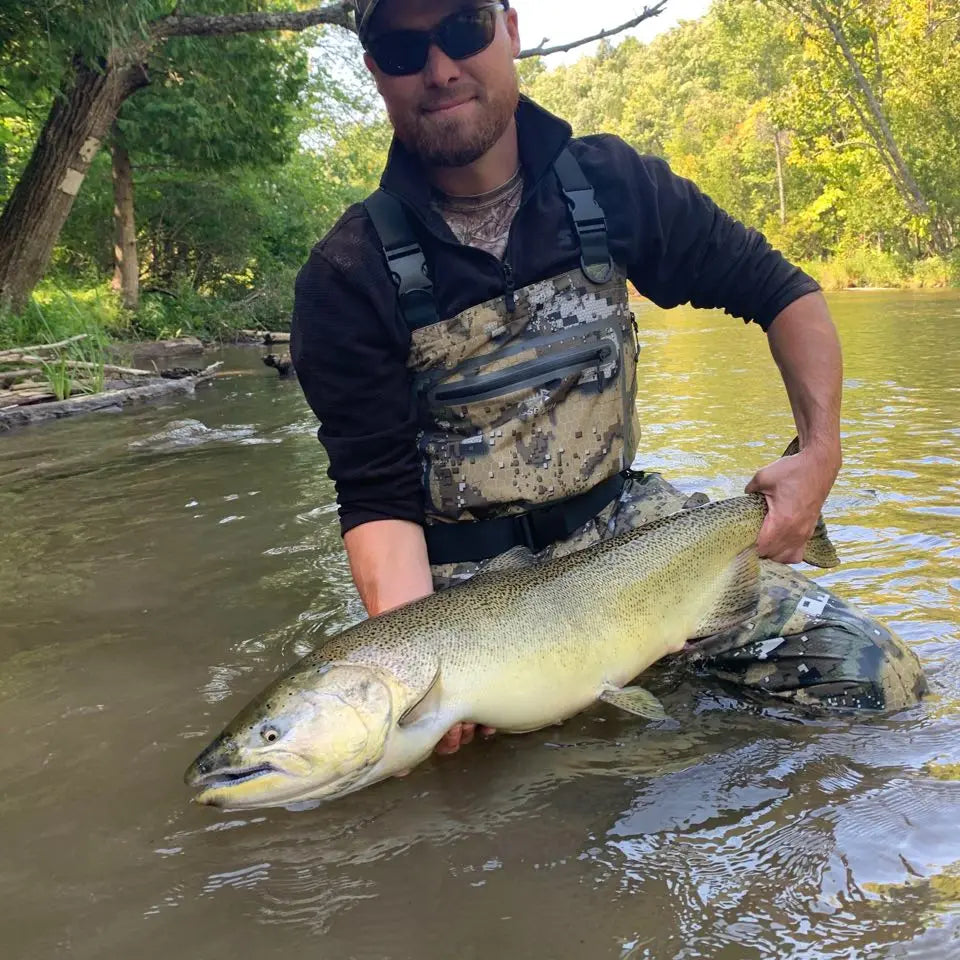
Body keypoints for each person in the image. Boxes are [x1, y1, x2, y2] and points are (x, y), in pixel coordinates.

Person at [291, 0, 926, 756]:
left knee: (876, 681)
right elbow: (377, 498)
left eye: (463, 28)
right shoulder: (345, 275)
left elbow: (784, 294)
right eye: (402, 49)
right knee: (434, 778)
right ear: (375, 72)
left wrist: (819, 454)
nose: (440, 68)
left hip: (631, 545)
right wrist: (424, 682)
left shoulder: (611, 185)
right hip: (464, 596)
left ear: (511, 29)